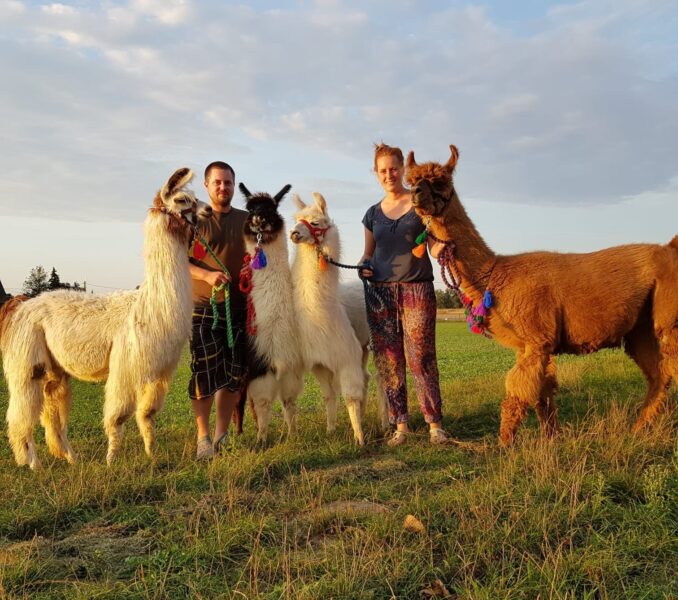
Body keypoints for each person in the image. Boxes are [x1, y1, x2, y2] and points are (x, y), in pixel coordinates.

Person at [359, 143, 448, 446]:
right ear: (376, 173)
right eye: (382, 170)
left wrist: (444, 251)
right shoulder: (371, 215)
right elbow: (368, 255)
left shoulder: (420, 206)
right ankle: (401, 426)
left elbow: (434, 243)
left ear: (403, 170)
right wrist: (364, 266)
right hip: (381, 294)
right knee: (389, 359)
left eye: (393, 168)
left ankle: (434, 424)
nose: (389, 175)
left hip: (417, 289)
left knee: (421, 357)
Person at [188, 161, 248, 459]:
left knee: (234, 374)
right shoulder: (194, 220)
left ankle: (223, 435)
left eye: (228, 183)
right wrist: (207, 276)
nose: (223, 188)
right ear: (207, 185)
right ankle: (203, 439)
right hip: (203, 307)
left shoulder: (246, 220)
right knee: (205, 372)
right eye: (218, 182)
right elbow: (177, 261)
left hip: (240, 308)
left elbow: (261, 256)